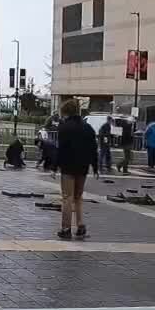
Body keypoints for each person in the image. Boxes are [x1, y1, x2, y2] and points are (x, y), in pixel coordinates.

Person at [54, 99, 94, 240]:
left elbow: (61, 150)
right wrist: (94, 166)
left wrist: (55, 167)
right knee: (78, 197)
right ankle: (81, 225)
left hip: (68, 167)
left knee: (67, 197)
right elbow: (93, 148)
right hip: (83, 166)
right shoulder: (88, 127)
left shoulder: (64, 128)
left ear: (66, 112)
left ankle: (66, 228)